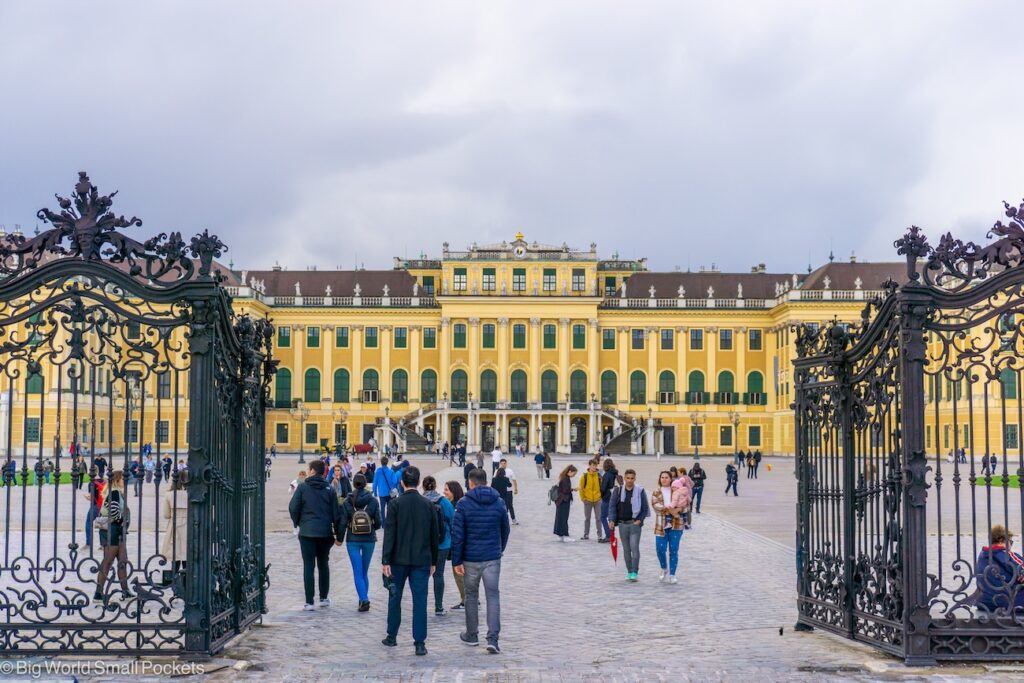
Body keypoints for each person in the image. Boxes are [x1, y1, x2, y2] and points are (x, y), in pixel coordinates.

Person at [381, 466, 439, 656]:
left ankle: (392, 636)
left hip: (398, 559)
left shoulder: (395, 504)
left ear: (403, 482)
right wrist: (434, 561)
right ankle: (420, 642)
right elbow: (434, 536)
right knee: (420, 601)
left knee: (395, 597)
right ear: (418, 481)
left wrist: (385, 560)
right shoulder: (428, 505)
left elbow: (389, 534)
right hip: (422, 559)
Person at [452, 467, 510, 654]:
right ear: (486, 481)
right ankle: (493, 638)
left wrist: (456, 560)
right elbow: (505, 529)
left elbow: (458, 534)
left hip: (470, 558)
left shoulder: (463, 503)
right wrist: (499, 548)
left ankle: (472, 634)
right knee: (493, 596)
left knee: (471, 596)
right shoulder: (499, 501)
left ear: (470, 482)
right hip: (492, 557)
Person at [288, 460, 344, 611]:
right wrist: (338, 534)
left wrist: (298, 522)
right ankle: (324, 597)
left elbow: (293, 507)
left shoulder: (303, 487)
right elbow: (336, 514)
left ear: (312, 471)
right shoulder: (329, 489)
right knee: (323, 564)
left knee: (308, 565)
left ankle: (309, 601)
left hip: (307, 532)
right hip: (325, 532)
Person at [338, 473, 383, 611]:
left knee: (357, 572)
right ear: (365, 484)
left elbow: (343, 522)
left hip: (353, 539)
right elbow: (379, 522)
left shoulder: (347, 501)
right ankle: (363, 598)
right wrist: (371, 528)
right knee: (364, 572)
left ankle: (364, 599)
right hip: (369, 539)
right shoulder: (373, 500)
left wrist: (339, 539)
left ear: (354, 484)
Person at [92, 471, 132, 602]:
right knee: (108, 561)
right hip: (112, 530)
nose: (125, 481)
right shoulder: (114, 492)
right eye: (123, 479)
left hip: (116, 531)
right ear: (118, 480)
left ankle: (125, 591)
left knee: (122, 561)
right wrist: (121, 521)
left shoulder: (116, 492)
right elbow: (114, 511)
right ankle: (98, 593)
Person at [607, 469, 650, 582]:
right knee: (626, 549)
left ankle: (635, 572)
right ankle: (629, 571)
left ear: (635, 479)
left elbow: (645, 508)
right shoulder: (618, 490)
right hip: (622, 524)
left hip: (634, 524)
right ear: (624, 478)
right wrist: (611, 520)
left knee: (634, 547)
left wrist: (639, 520)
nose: (630, 480)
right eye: (628, 478)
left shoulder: (640, 491)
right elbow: (612, 506)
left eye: (632, 478)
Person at [421, 475, 455, 616]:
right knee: (438, 575)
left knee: (421, 576)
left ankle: (420, 606)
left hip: (423, 545)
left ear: (423, 486)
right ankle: (438, 607)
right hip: (442, 543)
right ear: (435, 486)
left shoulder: (420, 501)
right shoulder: (444, 502)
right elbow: (453, 521)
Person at [975, 524, 1024, 612]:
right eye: (1010, 542)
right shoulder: (1007, 555)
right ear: (1002, 540)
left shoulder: (982, 556)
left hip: (984, 603)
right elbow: (1021, 565)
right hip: (1009, 603)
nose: (1011, 546)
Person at [652, 472, 690, 584]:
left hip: (676, 524)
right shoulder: (656, 491)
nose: (664, 479)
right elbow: (655, 506)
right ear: (660, 479)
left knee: (674, 550)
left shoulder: (677, 489)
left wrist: (677, 510)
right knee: (660, 549)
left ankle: (673, 574)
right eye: (662, 477)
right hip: (661, 525)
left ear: (670, 479)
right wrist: (670, 510)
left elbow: (686, 505)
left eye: (666, 477)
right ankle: (664, 568)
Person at [161, 471, 189, 590]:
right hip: (189, 527)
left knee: (175, 557)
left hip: (175, 526)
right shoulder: (191, 494)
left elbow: (166, 515)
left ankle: (175, 587)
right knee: (187, 558)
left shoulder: (169, 495)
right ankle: (187, 587)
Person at [578, 458, 604, 541]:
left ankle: (600, 535)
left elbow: (602, 488)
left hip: (597, 500)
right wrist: (583, 499)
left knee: (598, 518)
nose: (594, 467)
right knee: (587, 518)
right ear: (589, 465)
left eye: (595, 465)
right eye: (593, 465)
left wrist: (600, 498)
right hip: (588, 500)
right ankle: (586, 534)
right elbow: (581, 488)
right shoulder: (584, 476)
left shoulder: (599, 476)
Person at [553, 465, 578, 542]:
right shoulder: (565, 479)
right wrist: (573, 489)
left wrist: (572, 489)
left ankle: (560, 534)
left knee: (560, 518)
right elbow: (565, 491)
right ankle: (565, 535)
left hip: (561, 501)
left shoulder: (564, 477)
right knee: (564, 518)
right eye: (574, 473)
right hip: (564, 501)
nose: (574, 475)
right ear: (569, 471)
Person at [82, 470, 106, 548]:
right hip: (104, 507)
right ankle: (103, 544)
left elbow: (91, 497)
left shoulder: (92, 483)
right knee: (102, 524)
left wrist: (86, 497)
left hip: (95, 506)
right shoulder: (104, 482)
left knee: (88, 522)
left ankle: (89, 543)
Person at [598, 458, 619, 544]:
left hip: (606, 497)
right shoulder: (615, 473)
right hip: (614, 496)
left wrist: (601, 495)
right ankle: (612, 535)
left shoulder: (607, 475)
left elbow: (603, 488)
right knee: (611, 517)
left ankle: (608, 536)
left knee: (603, 517)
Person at [373, 456, 398, 522]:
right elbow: (395, 481)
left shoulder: (377, 472)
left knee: (382, 509)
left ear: (381, 463)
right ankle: (389, 521)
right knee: (389, 508)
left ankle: (383, 523)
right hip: (390, 493)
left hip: (382, 493)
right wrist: (393, 487)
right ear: (387, 462)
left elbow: (375, 483)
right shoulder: (391, 471)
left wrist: (375, 493)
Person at [497, 459, 519, 525]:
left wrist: (516, 489)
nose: (503, 464)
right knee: (501, 506)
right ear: (500, 464)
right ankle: (503, 521)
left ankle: (513, 519)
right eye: (502, 463)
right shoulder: (497, 471)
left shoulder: (510, 471)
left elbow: (514, 480)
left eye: (504, 463)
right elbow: (494, 481)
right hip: (500, 492)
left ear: (506, 464)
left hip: (508, 491)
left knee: (510, 506)